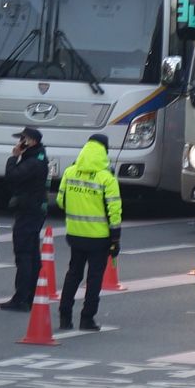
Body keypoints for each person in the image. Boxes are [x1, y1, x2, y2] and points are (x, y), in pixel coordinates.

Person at [56, 135, 120, 331]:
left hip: (75, 234)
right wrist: (115, 238)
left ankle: (65, 317)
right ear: (104, 151)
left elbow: (61, 201)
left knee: (73, 274)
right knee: (94, 278)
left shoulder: (69, 172)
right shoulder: (106, 178)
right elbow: (114, 211)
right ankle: (87, 318)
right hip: (99, 238)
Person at [0, 126, 51, 312]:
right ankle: (29, 295)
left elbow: (12, 177)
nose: (19, 143)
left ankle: (22, 297)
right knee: (31, 253)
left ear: (31, 142)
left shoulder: (34, 161)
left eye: (23, 139)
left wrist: (13, 157)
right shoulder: (37, 158)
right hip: (33, 208)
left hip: (29, 209)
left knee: (24, 253)